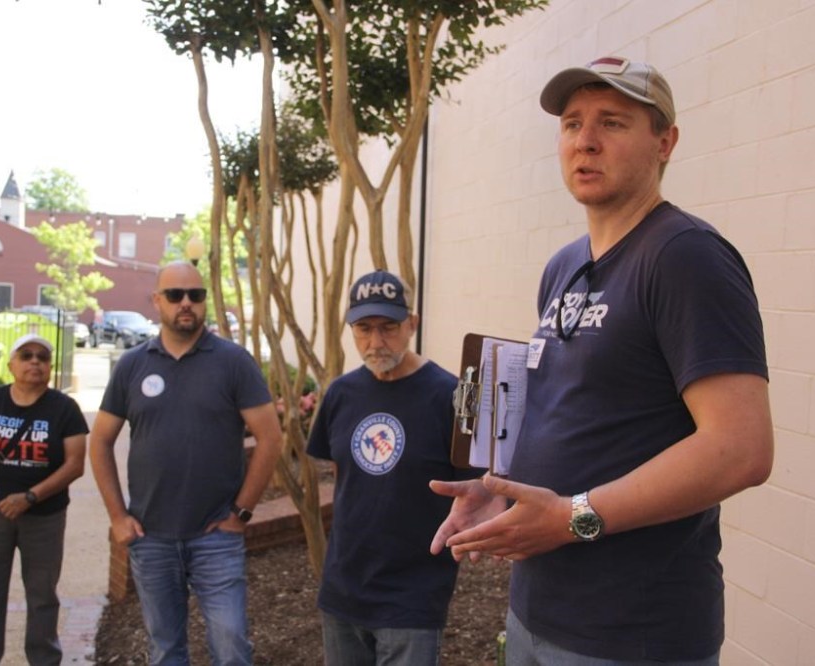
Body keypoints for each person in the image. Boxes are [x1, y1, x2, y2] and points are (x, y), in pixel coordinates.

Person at [429, 56, 774, 664]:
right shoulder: (563, 267)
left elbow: (741, 448)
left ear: (665, 142)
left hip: (634, 633)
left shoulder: (686, 258)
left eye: (612, 123)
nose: (585, 141)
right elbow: (576, 409)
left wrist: (574, 518)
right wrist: (499, 492)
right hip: (538, 611)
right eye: (571, 124)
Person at [89, 260, 283, 665]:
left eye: (196, 295)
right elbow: (100, 441)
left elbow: (270, 438)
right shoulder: (133, 365)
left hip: (216, 537)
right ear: (157, 301)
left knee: (231, 647)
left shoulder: (233, 362)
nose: (186, 304)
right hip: (152, 537)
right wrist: (117, 516)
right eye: (175, 295)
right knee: (165, 650)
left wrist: (242, 511)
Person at [307, 270, 484, 665]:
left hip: (413, 596)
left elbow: (473, 494)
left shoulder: (451, 396)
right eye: (363, 328)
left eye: (388, 327)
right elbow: (345, 479)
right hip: (343, 591)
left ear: (412, 324)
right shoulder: (340, 394)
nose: (375, 342)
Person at [0, 334, 89, 666]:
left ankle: (44, 660)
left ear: (50, 367)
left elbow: (75, 465)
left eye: (42, 357)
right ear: (11, 365)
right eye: (26, 355)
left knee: (42, 596)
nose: (35, 361)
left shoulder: (65, 409)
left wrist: (30, 496)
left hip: (45, 517)